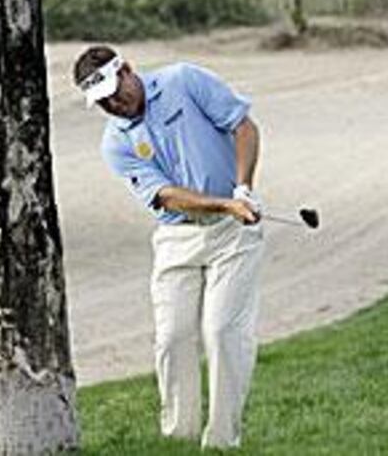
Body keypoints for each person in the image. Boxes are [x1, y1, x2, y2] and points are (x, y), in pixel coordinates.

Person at [74, 46, 264, 449]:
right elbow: (168, 197)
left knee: (221, 331)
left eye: (114, 91)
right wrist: (225, 203)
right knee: (173, 337)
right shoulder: (115, 144)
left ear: (126, 70)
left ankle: (222, 441)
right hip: (177, 237)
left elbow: (243, 126)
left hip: (234, 231)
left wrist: (242, 189)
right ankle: (179, 438)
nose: (113, 103)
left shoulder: (183, 80)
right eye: (102, 101)